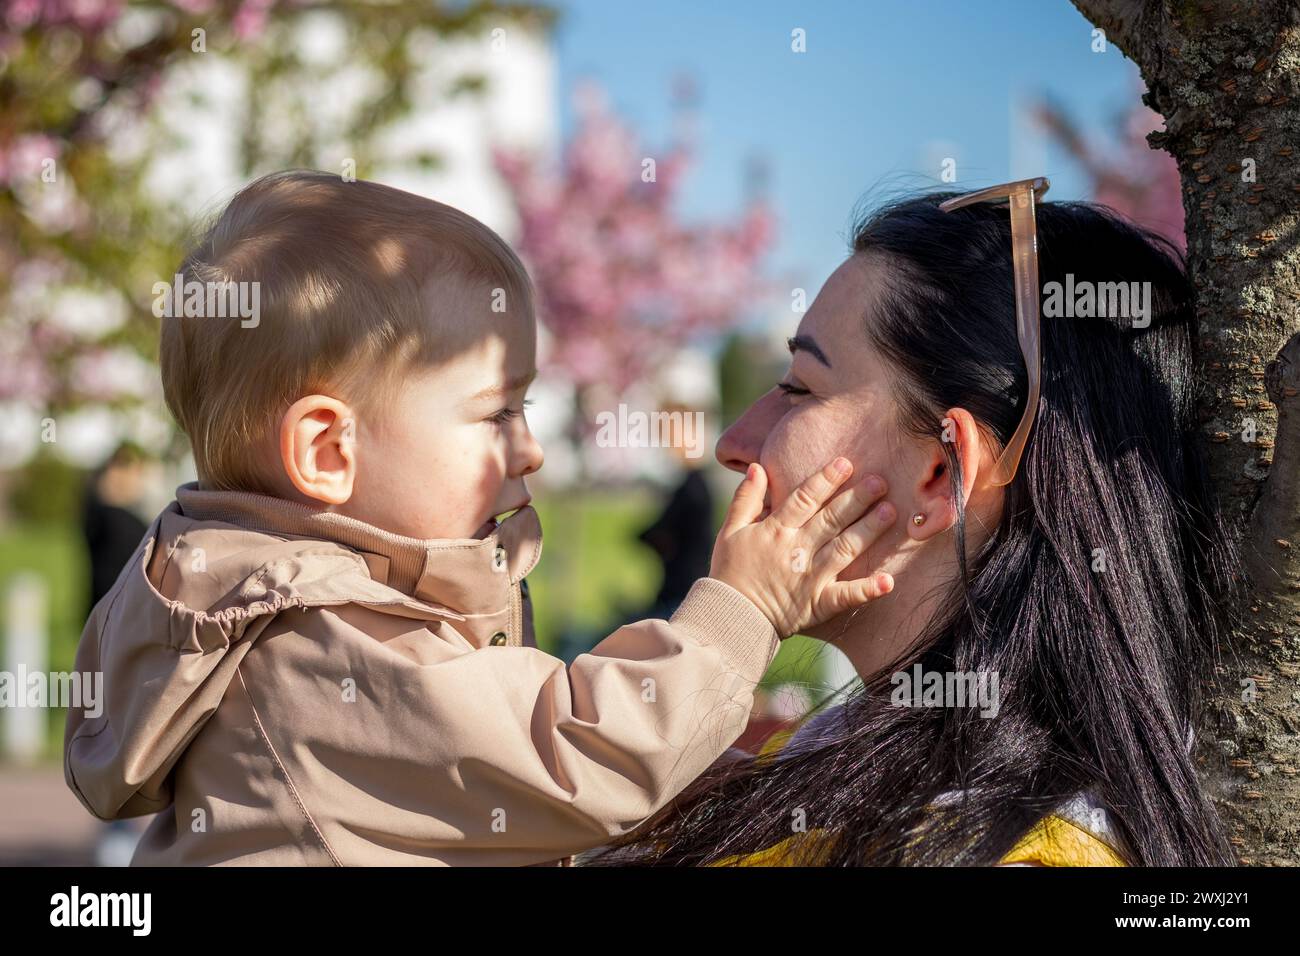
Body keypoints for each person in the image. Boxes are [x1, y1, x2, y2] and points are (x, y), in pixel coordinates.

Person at [62, 170, 899, 866]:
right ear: (327, 453)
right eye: (497, 412)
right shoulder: (316, 642)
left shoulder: (276, 611)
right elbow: (590, 758)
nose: (530, 448)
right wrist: (743, 612)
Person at [584, 188, 1240, 867]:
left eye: (800, 387)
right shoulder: (818, 767)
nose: (734, 440)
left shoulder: (1031, 857)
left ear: (940, 472)